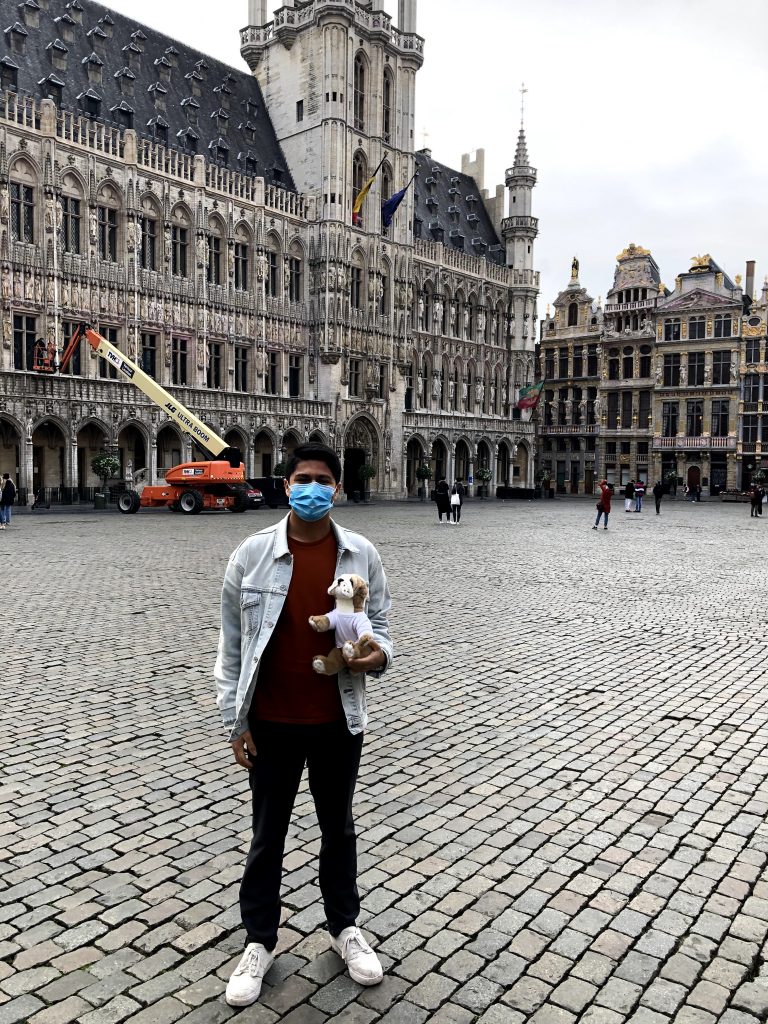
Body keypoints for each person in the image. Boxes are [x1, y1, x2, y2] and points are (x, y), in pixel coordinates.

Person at [215, 443, 393, 1008]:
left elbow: (382, 625)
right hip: (271, 720)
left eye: (322, 480)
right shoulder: (252, 553)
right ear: (285, 484)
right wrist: (234, 720)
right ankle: (259, 941)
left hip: (339, 717)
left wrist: (378, 656)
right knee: (267, 836)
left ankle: (345, 927)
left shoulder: (360, 553)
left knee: (337, 828)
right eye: (302, 478)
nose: (311, 488)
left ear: (335, 489)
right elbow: (232, 645)